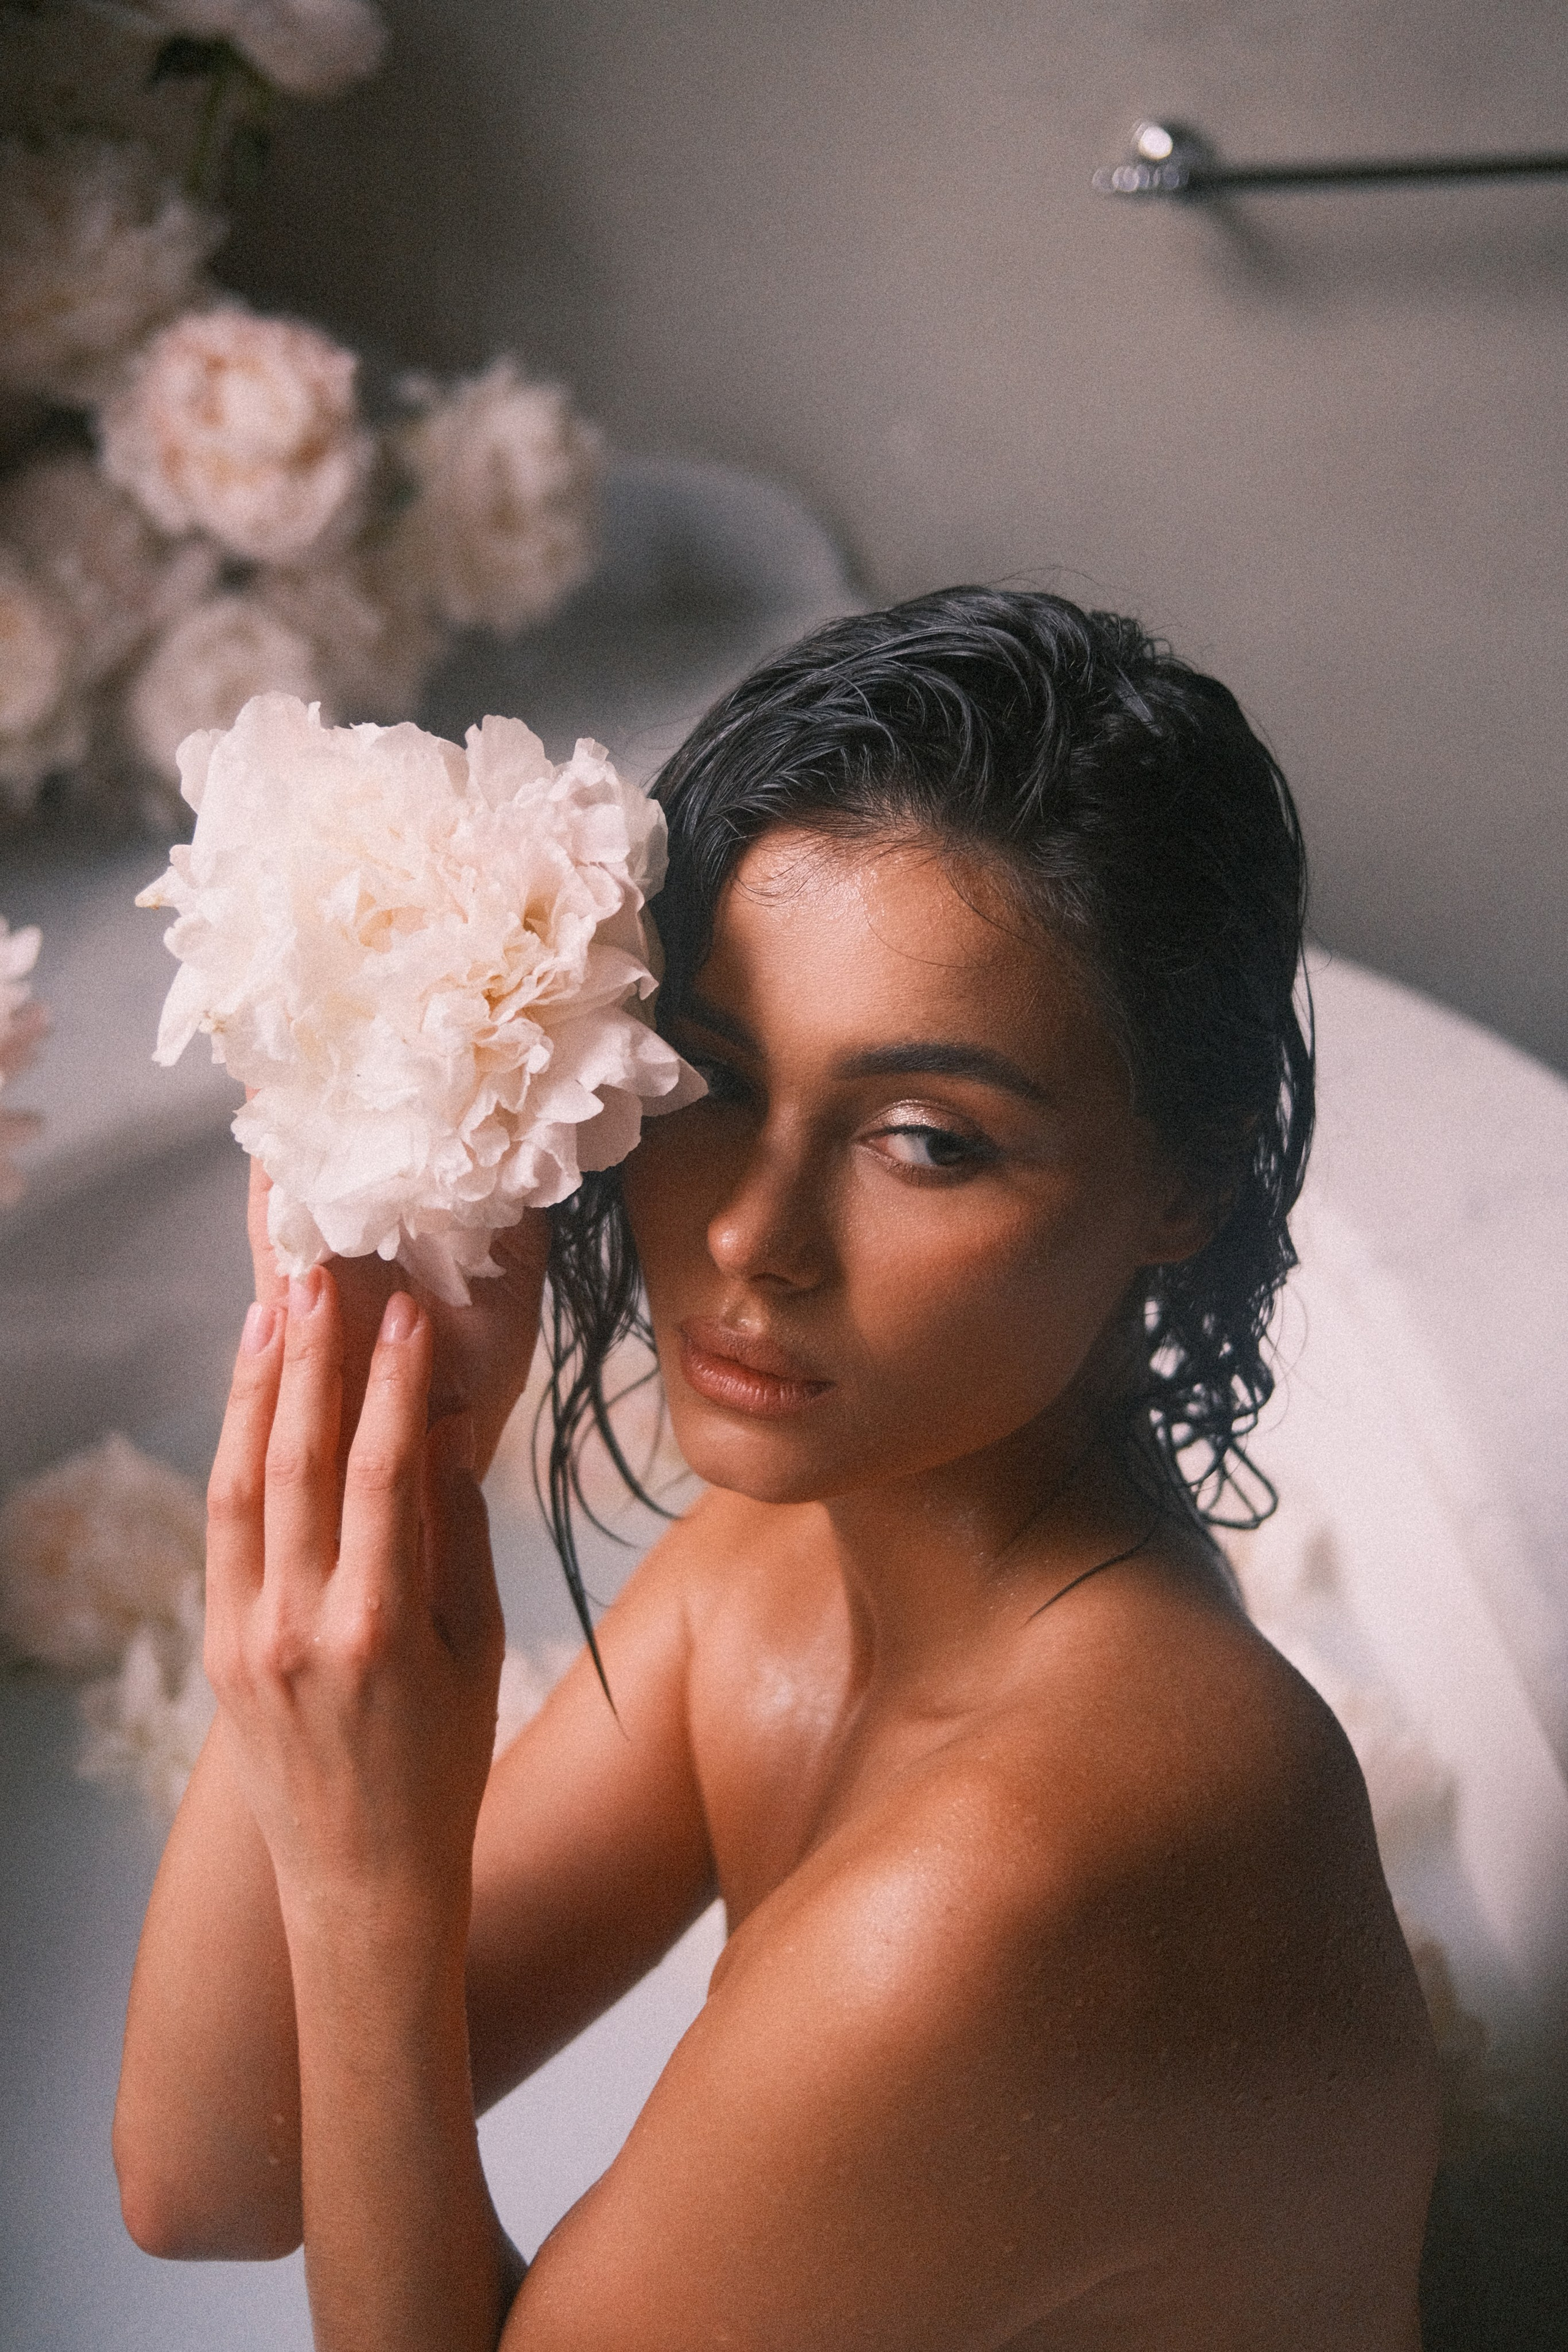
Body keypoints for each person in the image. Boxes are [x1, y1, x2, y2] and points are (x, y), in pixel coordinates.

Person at [113, 588, 1439, 2350]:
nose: (749, 1229)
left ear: (1185, 1182)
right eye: (714, 1082)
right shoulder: (783, 1570)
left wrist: (368, 1887)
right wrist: (394, 1448)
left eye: (925, 1141)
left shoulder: (1036, 1882)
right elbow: (207, 2174)